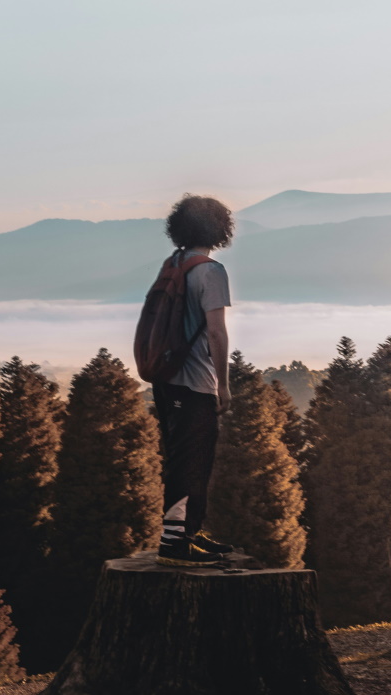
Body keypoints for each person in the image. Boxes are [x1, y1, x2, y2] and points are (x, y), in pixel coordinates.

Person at [150, 194, 236, 567]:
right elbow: (216, 333)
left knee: (184, 457)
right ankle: (174, 543)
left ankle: (190, 533)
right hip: (195, 381)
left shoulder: (175, 264)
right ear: (219, 228)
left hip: (166, 378)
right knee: (192, 461)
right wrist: (223, 383)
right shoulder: (210, 271)